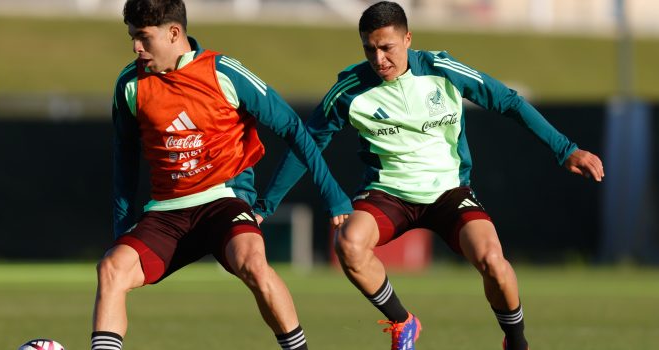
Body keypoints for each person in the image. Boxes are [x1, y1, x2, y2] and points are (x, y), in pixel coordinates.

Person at [254, 2, 605, 350]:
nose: (379, 59)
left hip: (449, 193)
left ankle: (516, 341)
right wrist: (266, 205)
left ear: (407, 39)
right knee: (348, 244)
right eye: (370, 49)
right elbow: (306, 142)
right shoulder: (350, 90)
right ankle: (402, 322)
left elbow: (508, 101)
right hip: (387, 193)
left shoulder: (441, 69)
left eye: (387, 47)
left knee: (493, 262)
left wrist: (565, 148)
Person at [91, 1, 352, 349]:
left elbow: (292, 127)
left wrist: (333, 195)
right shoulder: (130, 84)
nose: (136, 48)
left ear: (173, 33)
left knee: (252, 261)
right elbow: (124, 158)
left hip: (223, 201)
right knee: (111, 269)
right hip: (166, 213)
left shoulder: (223, 72)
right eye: (132, 38)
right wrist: (123, 229)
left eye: (143, 38)